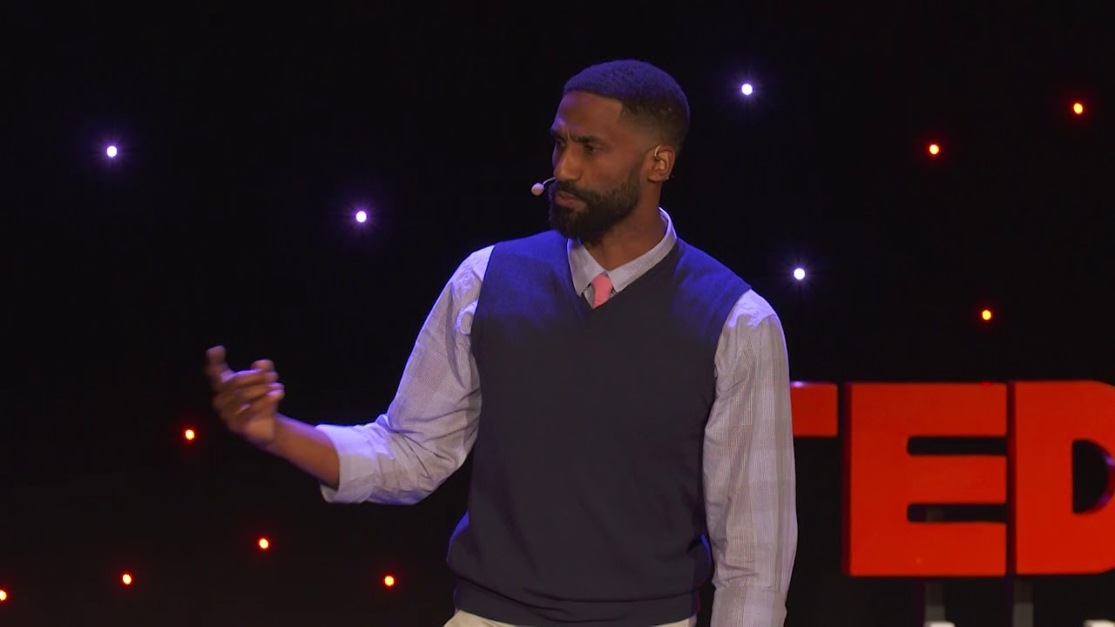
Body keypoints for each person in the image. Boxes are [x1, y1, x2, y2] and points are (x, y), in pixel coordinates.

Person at [205, 59, 797, 627]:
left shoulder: (737, 324)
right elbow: (413, 452)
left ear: (658, 162)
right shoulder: (486, 281)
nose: (565, 168)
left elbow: (755, 557)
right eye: (559, 143)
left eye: (590, 148)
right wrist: (276, 432)